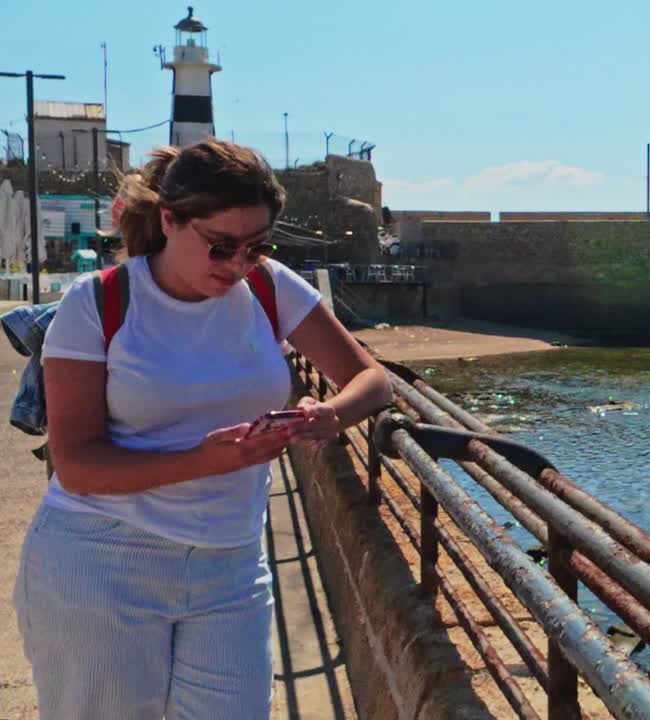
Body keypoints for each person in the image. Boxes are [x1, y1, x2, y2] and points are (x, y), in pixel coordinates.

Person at [12, 138, 392, 719]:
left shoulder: (269, 285)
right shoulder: (99, 303)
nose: (240, 265)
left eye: (257, 247)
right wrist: (206, 460)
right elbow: (78, 465)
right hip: (103, 560)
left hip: (232, 562)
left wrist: (331, 413)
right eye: (221, 247)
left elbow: (371, 379)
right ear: (169, 220)